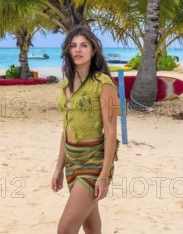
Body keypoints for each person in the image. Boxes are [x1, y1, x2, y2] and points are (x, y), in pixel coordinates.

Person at [52, 26, 119, 234]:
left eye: (84, 45)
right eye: (73, 45)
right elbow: (66, 130)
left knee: (65, 229)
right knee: (90, 226)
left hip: (93, 163)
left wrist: (104, 176)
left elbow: (110, 132)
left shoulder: (103, 84)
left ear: (93, 50)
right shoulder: (66, 86)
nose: (77, 50)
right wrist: (59, 167)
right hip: (72, 162)